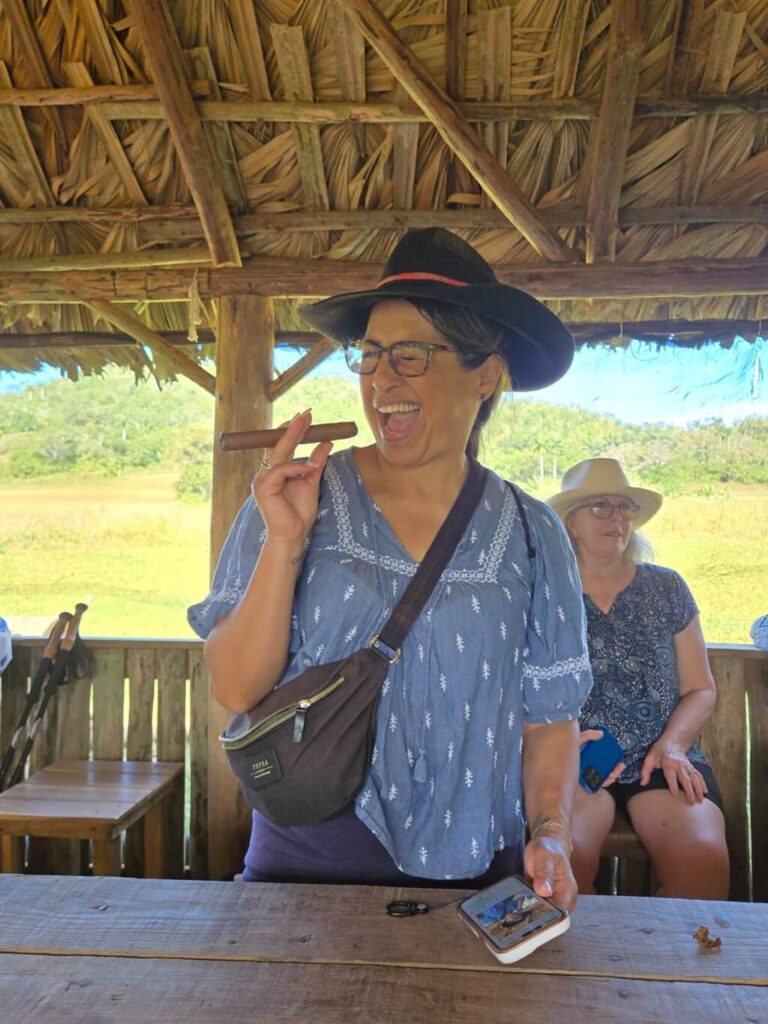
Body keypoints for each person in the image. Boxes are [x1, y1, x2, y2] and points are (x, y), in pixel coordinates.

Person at [188, 228, 592, 910]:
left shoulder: (532, 531)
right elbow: (234, 686)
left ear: (485, 373)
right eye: (370, 357)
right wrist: (285, 543)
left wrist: (551, 833)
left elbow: (548, 719)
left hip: (479, 876)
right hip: (307, 863)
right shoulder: (296, 495)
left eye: (409, 356)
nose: (381, 382)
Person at [548, 458, 730, 899]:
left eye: (624, 508)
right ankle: (584, 967)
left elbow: (700, 688)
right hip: (580, 759)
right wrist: (557, 742)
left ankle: (672, 968)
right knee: (562, 861)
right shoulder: (547, 593)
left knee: (703, 857)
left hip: (662, 759)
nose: (617, 518)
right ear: (570, 522)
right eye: (600, 507)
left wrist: (673, 744)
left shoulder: (666, 589)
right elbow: (521, 688)